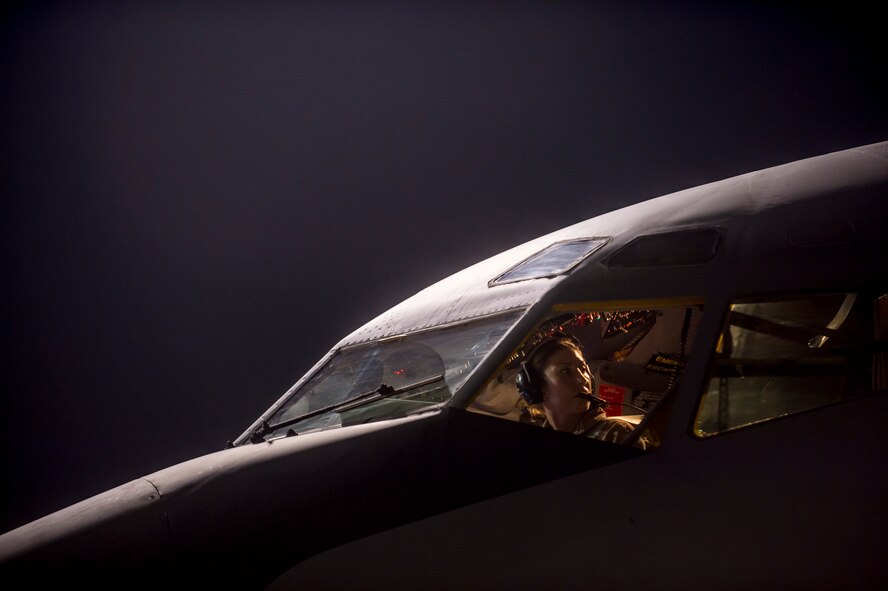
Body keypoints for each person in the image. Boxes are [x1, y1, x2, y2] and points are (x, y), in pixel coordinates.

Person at [516, 335, 647, 448]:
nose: (583, 379)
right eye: (565, 371)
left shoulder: (615, 435)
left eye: (583, 369)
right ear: (538, 388)